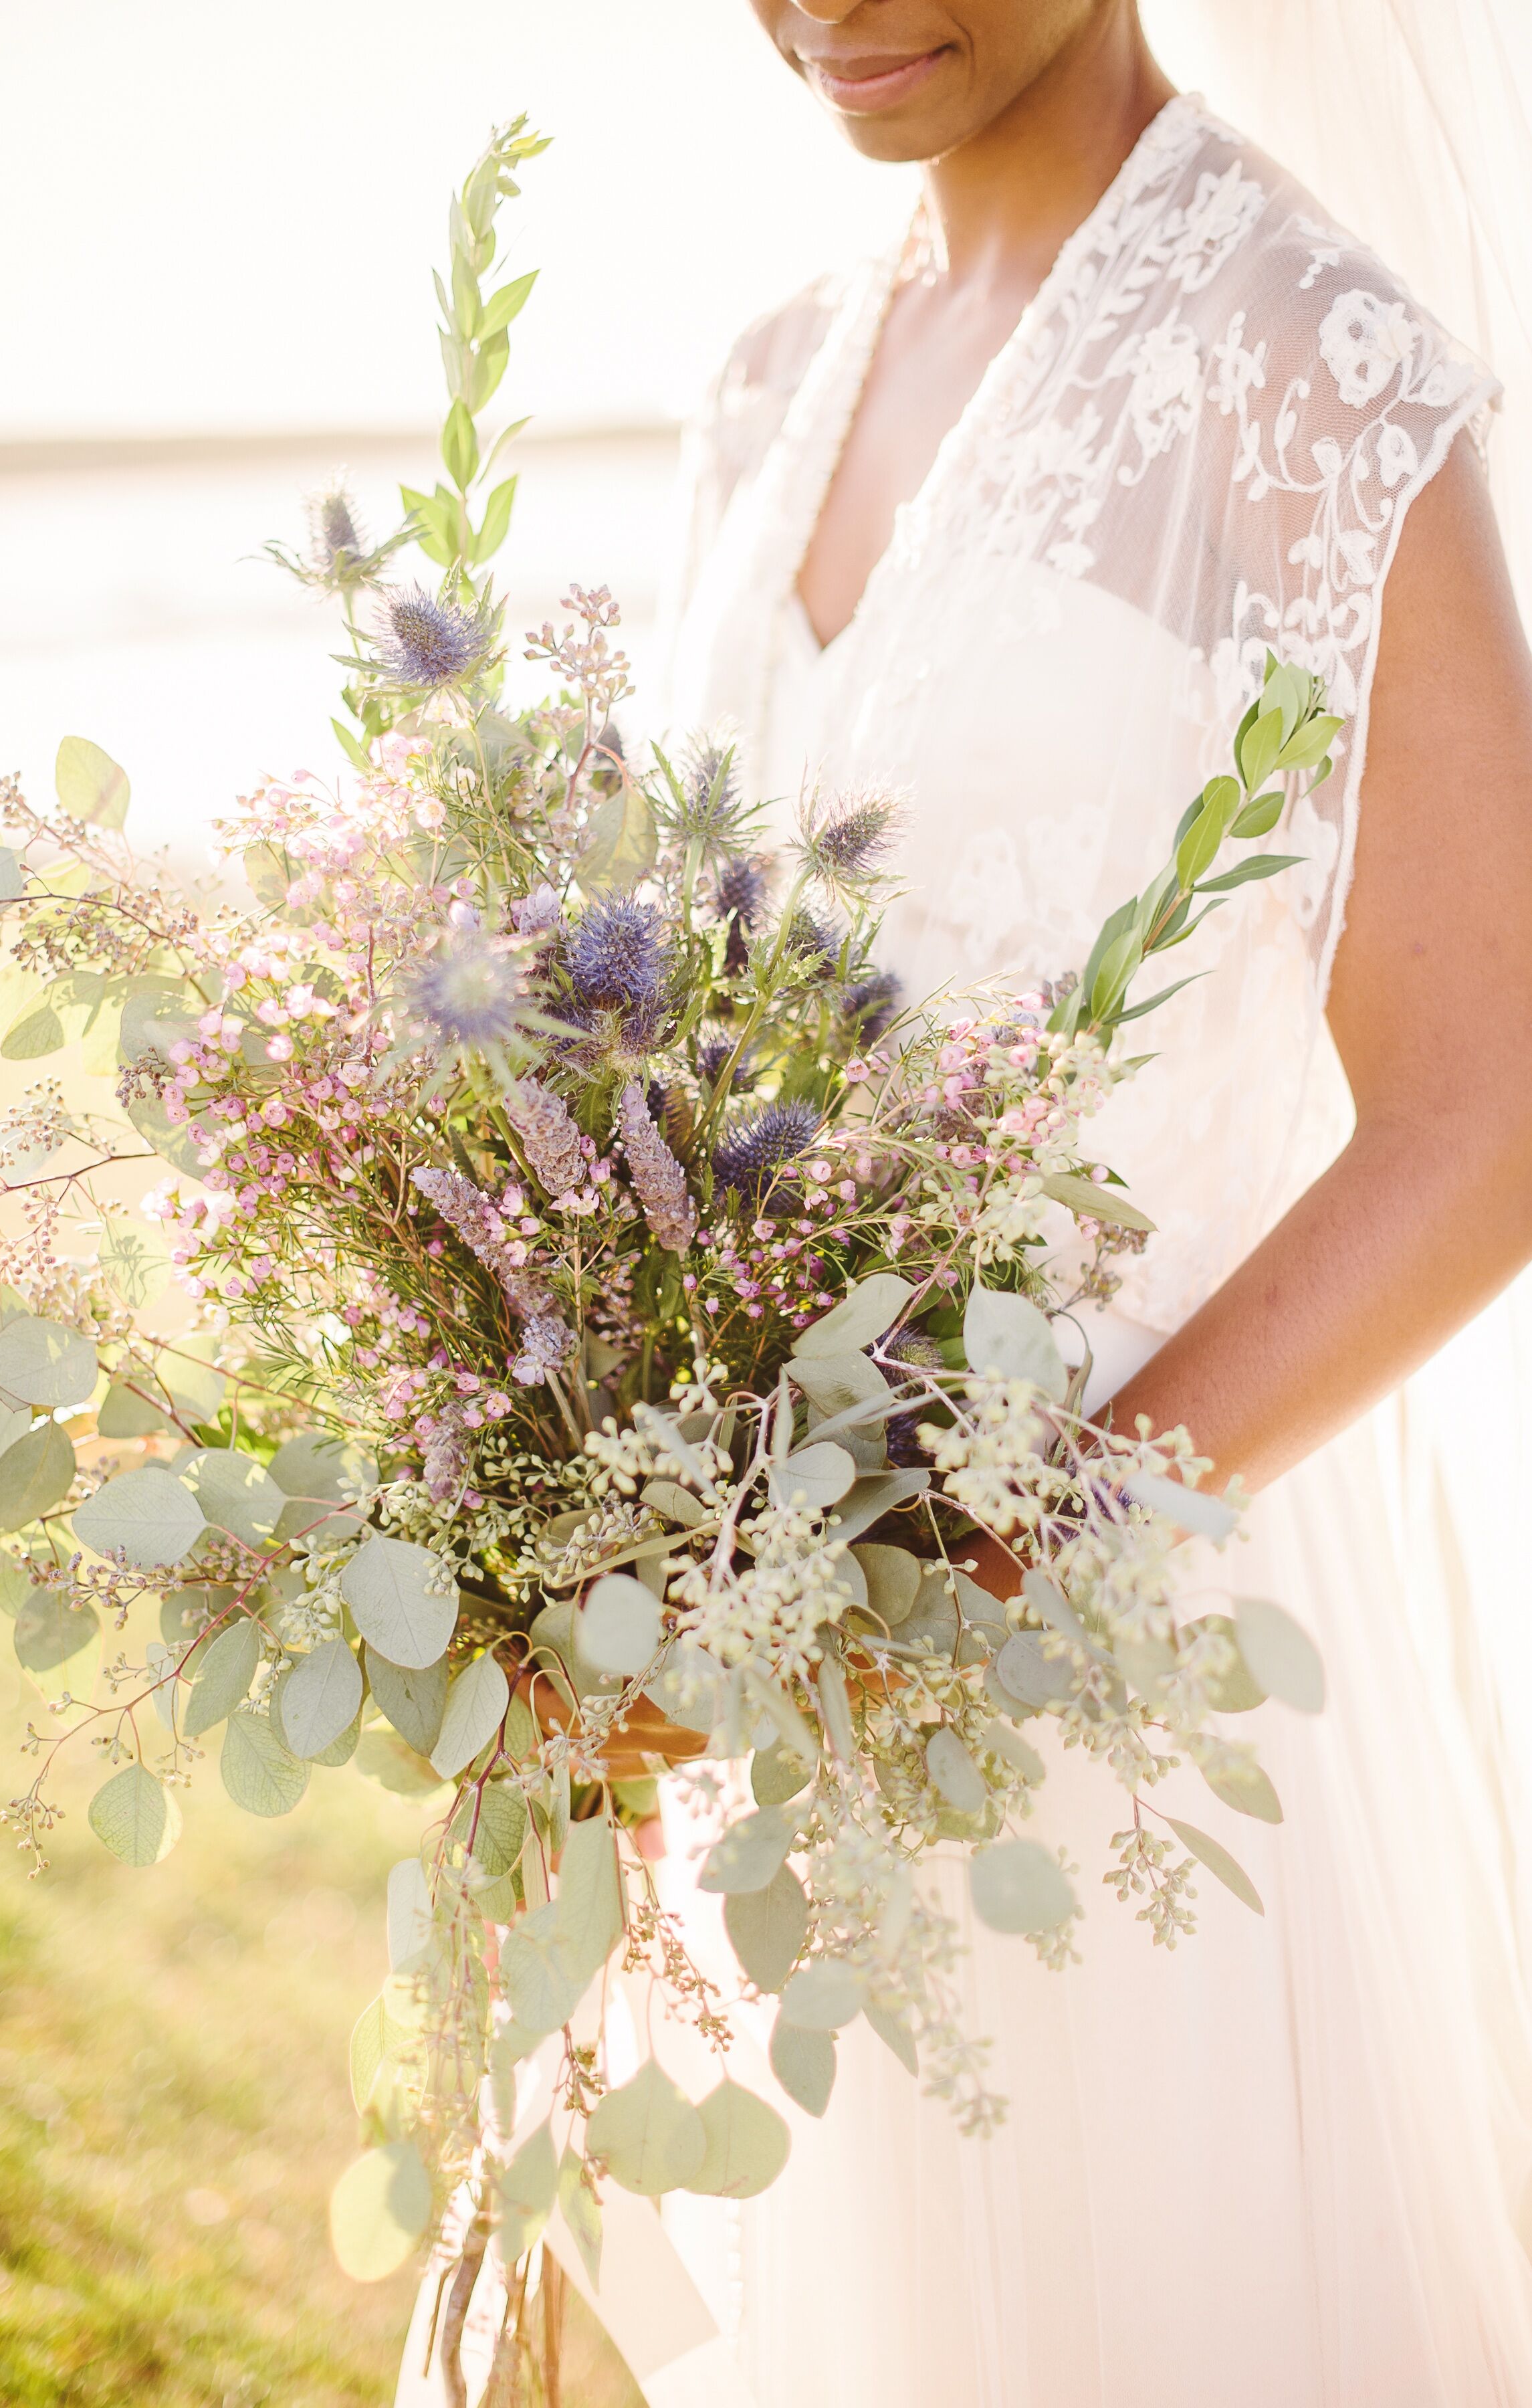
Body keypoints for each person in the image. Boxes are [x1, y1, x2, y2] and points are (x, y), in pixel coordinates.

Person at [641, 1, 1532, 2401]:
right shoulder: (763, 380)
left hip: (1124, 1667)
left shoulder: (1304, 356)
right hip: (746, 1662)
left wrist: (994, 1571)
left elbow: (1490, 1107)